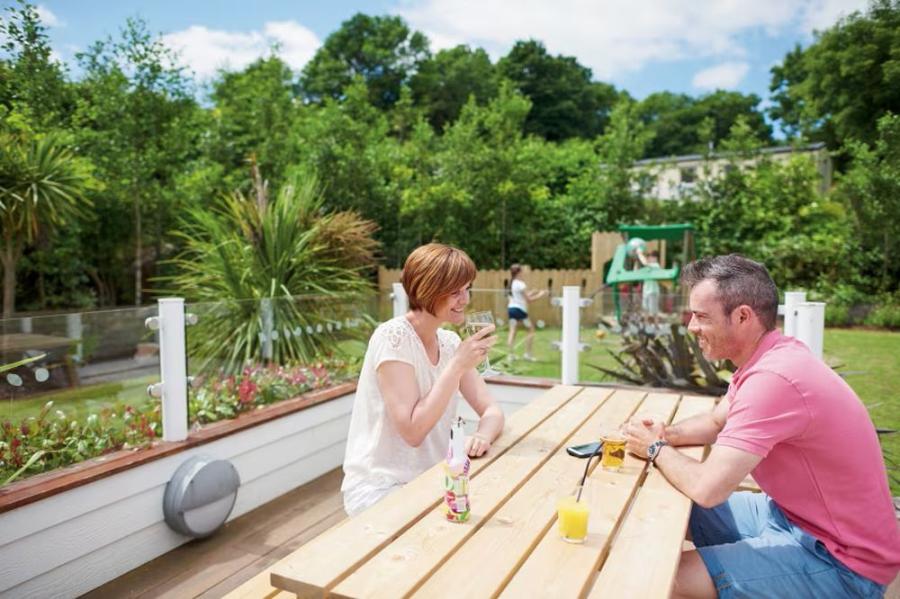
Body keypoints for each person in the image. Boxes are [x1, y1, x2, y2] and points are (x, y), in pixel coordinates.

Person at [623, 254, 900, 598]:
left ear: (742, 316)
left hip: (843, 563)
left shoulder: (774, 379)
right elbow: (713, 421)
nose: (691, 326)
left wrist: (655, 449)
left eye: (701, 316)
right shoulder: (769, 356)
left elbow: (709, 488)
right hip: (789, 518)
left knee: (664, 578)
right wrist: (666, 434)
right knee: (664, 501)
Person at [341, 243, 505, 517]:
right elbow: (412, 432)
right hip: (381, 487)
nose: (464, 300)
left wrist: (482, 436)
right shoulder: (393, 338)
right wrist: (456, 367)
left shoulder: (450, 343)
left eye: (467, 289)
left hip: (432, 480)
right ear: (426, 289)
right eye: (455, 292)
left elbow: (492, 411)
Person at [506, 264, 548, 362]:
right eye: (522, 271)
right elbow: (528, 300)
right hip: (520, 311)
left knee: (512, 331)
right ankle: (527, 354)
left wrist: (533, 292)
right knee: (531, 330)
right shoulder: (521, 284)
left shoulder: (512, 283)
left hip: (511, 310)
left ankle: (510, 355)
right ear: (519, 272)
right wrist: (541, 295)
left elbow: (521, 296)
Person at [636, 248, 662, 329]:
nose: (649, 258)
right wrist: (636, 261)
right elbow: (636, 272)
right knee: (645, 310)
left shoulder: (656, 265)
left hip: (653, 291)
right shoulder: (648, 267)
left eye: (650, 256)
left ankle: (656, 326)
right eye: (648, 257)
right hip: (646, 291)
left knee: (654, 311)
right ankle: (646, 326)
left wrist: (639, 253)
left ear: (655, 258)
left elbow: (645, 263)